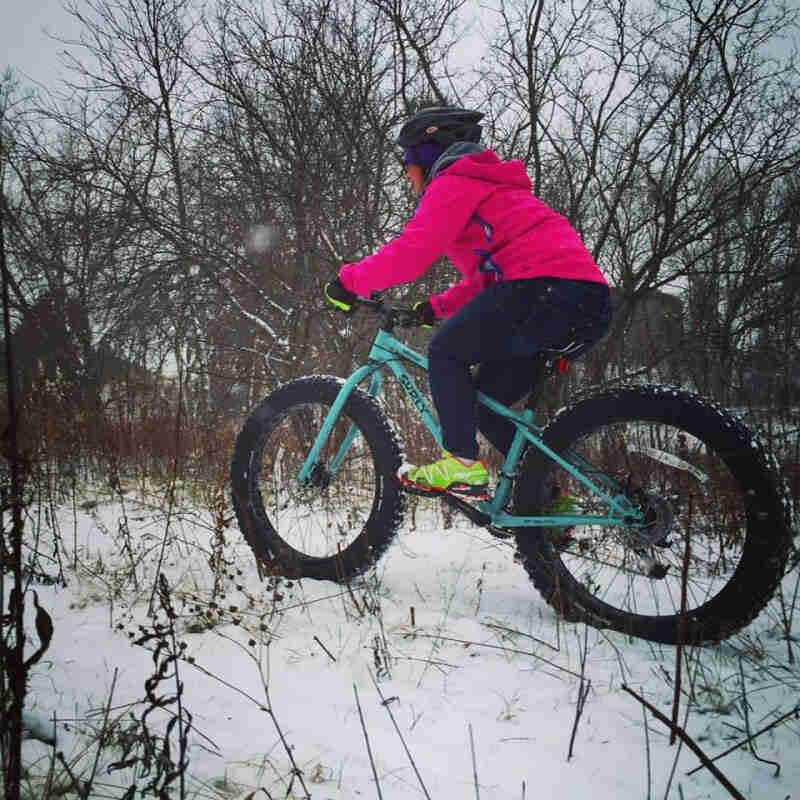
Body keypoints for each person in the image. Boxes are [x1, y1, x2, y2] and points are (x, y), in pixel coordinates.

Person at [325, 106, 611, 498]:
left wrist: (349, 281)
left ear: (427, 155)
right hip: (580, 302)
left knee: (446, 352)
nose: (408, 176)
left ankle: (460, 463)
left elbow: (412, 254)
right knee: (487, 408)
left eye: (408, 164)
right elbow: (491, 279)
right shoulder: (494, 190)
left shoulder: (455, 182)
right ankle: (547, 502)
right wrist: (436, 307)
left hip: (545, 292)